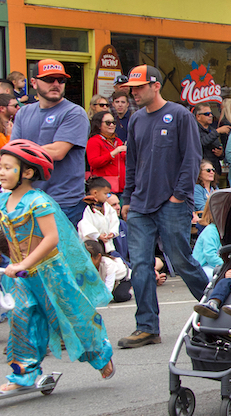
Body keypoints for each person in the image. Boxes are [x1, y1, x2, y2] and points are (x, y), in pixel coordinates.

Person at [0, 140, 115, 393]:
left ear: (28, 173)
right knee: (22, 317)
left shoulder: (38, 201)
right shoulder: (2, 201)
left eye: (8, 167)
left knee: (71, 318)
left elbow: (51, 238)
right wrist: (17, 266)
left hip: (50, 273)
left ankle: (100, 354)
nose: (1, 172)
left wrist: (25, 263)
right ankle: (24, 373)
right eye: (1, 166)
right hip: (20, 275)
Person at [119, 64, 209, 349]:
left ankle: (215, 306)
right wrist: (127, 198)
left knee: (181, 260)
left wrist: (179, 195)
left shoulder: (180, 115)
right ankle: (146, 327)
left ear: (155, 85)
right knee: (141, 266)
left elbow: (192, 157)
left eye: (139, 87)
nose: (134, 93)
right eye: (131, 89)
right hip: (140, 204)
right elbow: (131, 162)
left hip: (171, 202)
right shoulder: (135, 120)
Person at [10, 59, 89, 226]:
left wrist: (22, 151)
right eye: (48, 79)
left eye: (61, 80)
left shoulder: (74, 112)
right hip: (29, 199)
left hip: (63, 201)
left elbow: (57, 152)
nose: (56, 84)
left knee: (58, 252)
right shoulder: (23, 113)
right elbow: (12, 154)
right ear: (33, 82)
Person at [86, 111, 126, 195]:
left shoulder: (118, 141)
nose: (112, 125)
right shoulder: (94, 141)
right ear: (99, 124)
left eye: (113, 122)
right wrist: (113, 153)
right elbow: (93, 162)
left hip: (122, 187)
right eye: (108, 123)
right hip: (104, 188)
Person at [78, 176, 120, 254]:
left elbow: (114, 220)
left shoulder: (108, 207)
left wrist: (113, 232)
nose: (107, 196)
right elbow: (85, 225)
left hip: (107, 245)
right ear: (95, 193)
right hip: (92, 245)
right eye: (105, 193)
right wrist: (97, 235)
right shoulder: (86, 208)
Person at [85, 239, 132, 303]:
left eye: (88, 258)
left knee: (119, 296)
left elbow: (108, 287)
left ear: (98, 256)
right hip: (104, 281)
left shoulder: (108, 264)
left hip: (122, 279)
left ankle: (131, 289)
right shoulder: (84, 265)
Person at [194, 103, 223, 179]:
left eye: (211, 113)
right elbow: (201, 142)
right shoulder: (193, 129)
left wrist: (220, 153)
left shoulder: (212, 130)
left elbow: (218, 148)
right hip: (201, 172)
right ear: (198, 116)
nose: (210, 115)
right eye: (207, 114)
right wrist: (217, 132)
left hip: (214, 171)